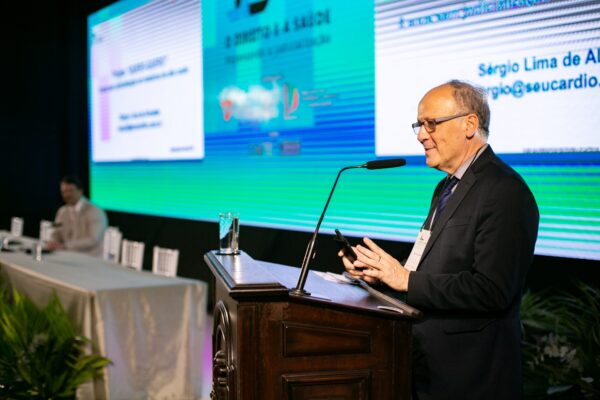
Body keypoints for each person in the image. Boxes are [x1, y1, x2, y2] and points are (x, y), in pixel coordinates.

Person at [339, 80, 539, 399]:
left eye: (431, 123)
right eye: (419, 125)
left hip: (470, 379)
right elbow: (431, 267)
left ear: (469, 124)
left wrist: (405, 279)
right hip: (427, 367)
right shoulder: (446, 187)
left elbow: (492, 290)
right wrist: (380, 275)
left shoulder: (504, 191)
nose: (421, 135)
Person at [46, 176, 108, 257]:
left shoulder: (95, 211)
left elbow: (93, 239)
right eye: (64, 191)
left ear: (80, 191)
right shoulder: (62, 211)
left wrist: (65, 246)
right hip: (65, 256)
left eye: (70, 190)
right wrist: (53, 242)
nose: (67, 194)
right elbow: (56, 233)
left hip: (89, 259)